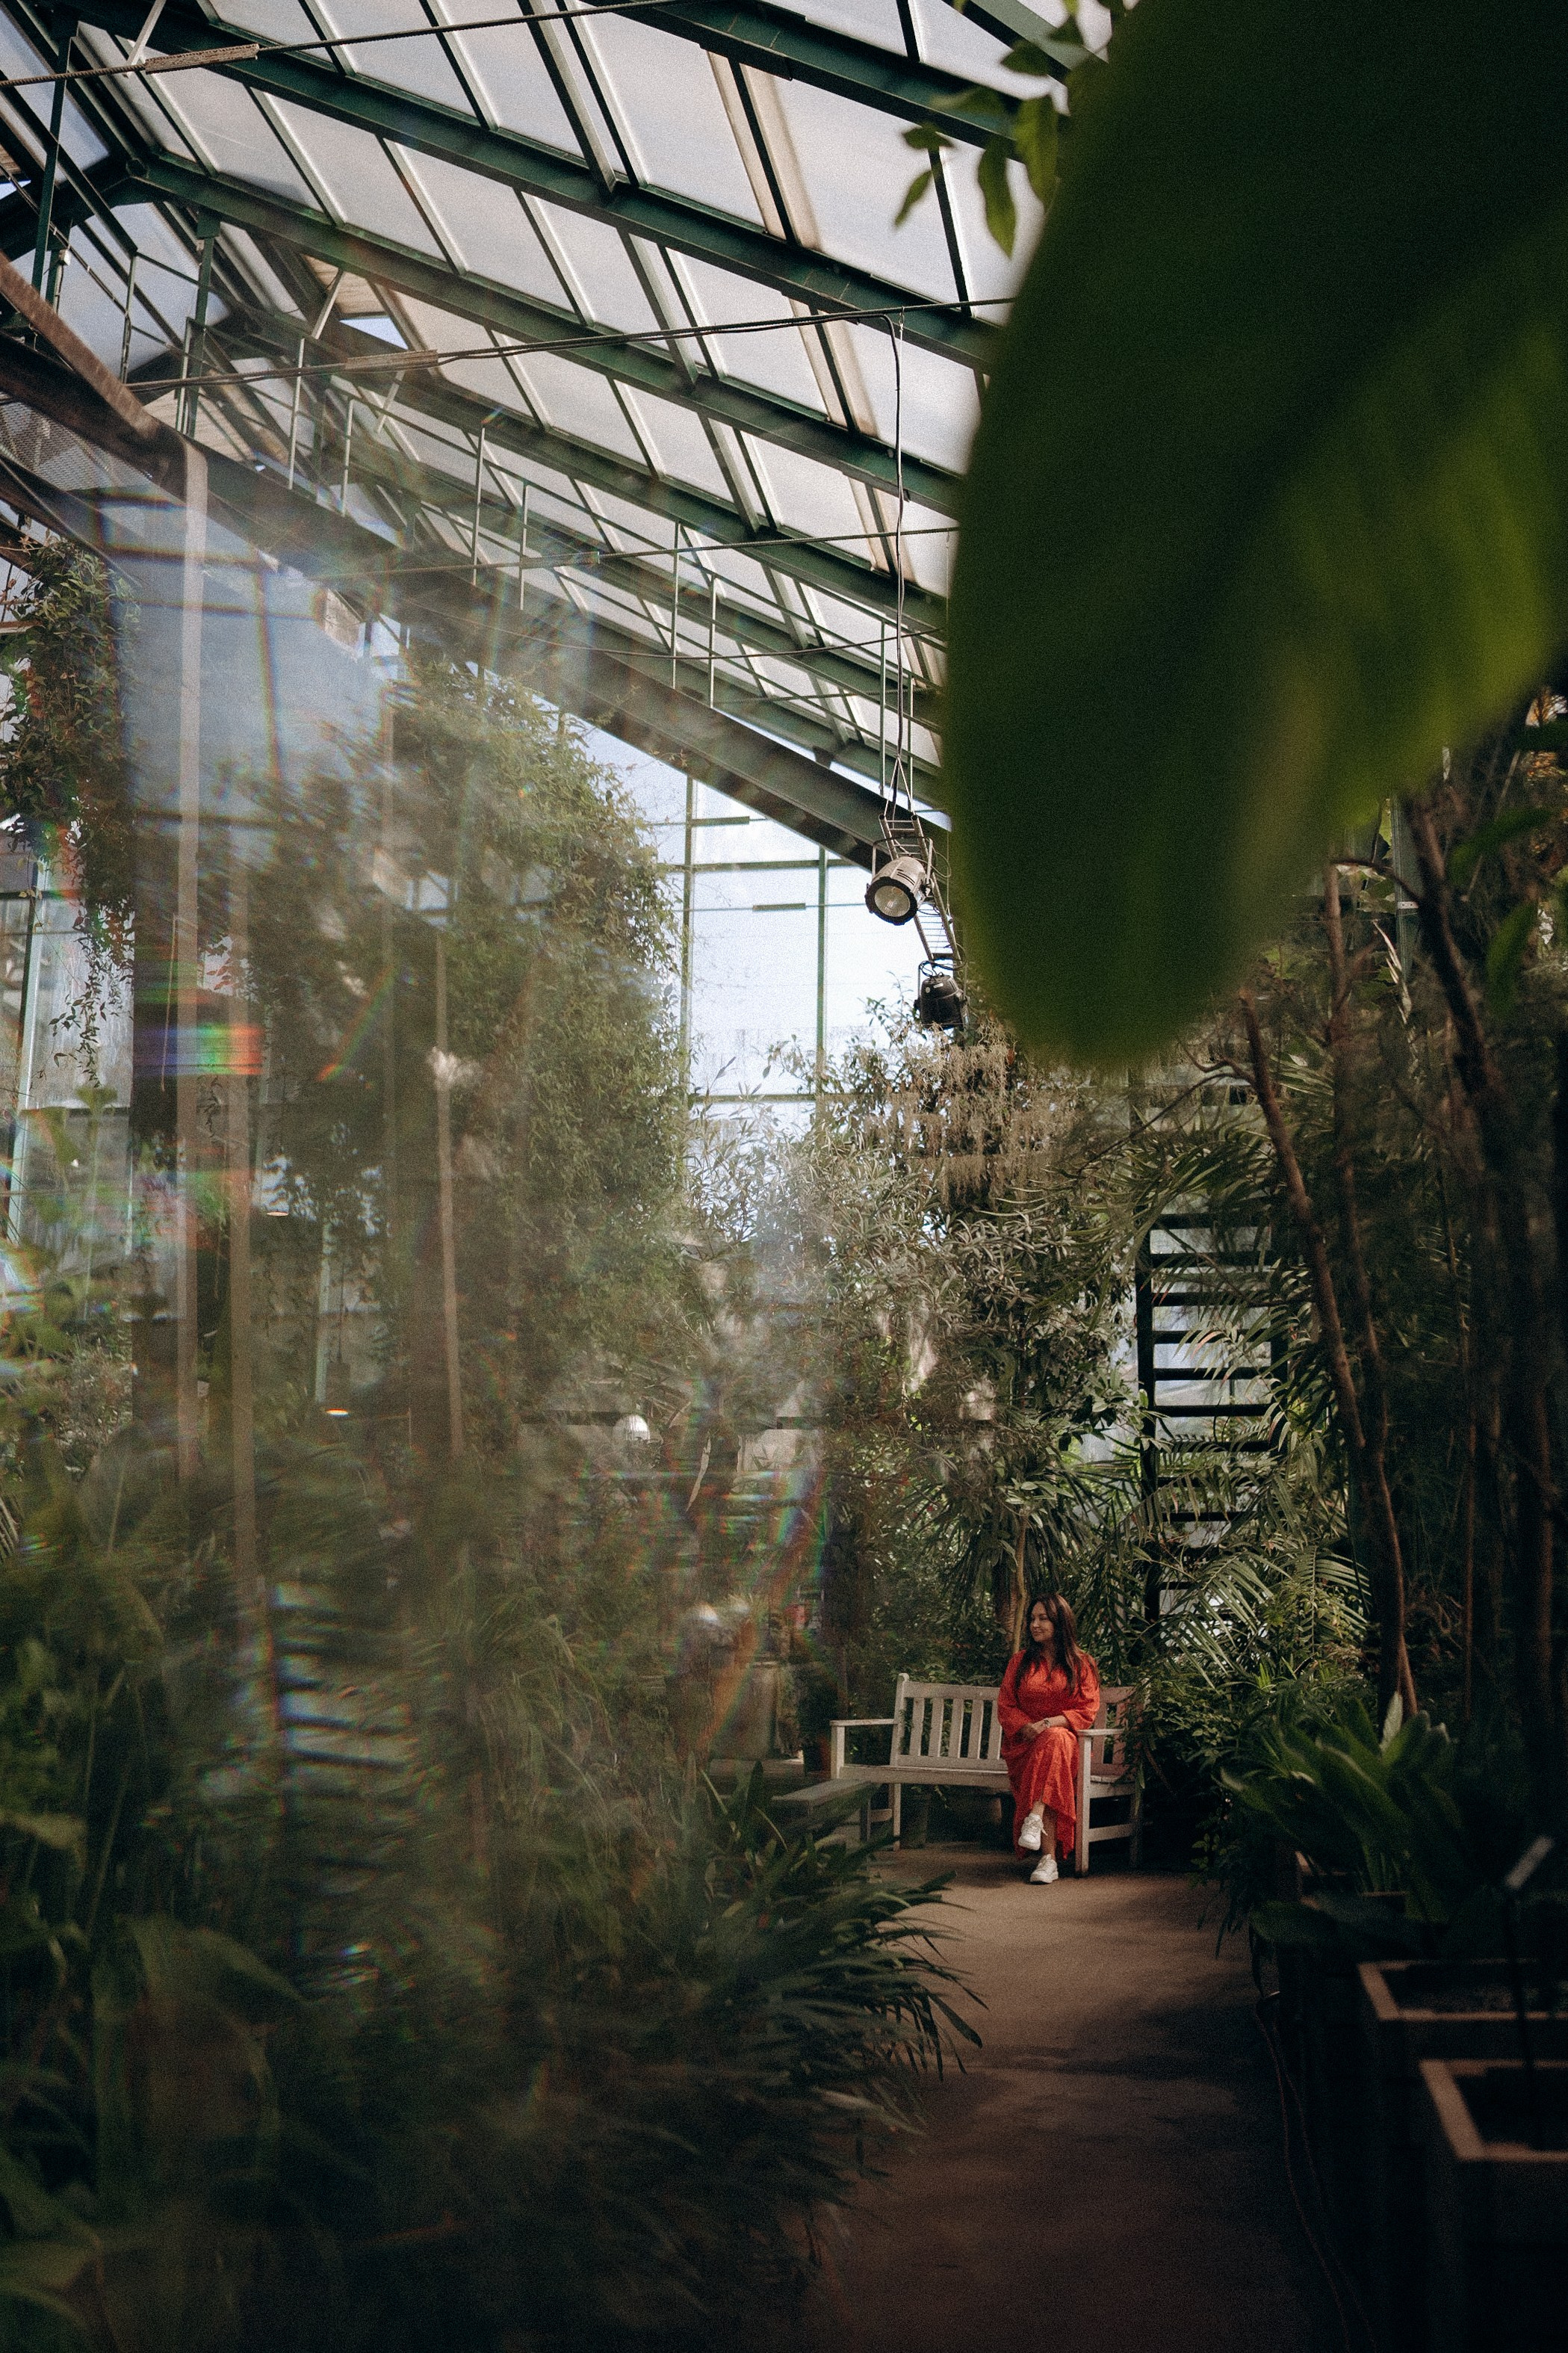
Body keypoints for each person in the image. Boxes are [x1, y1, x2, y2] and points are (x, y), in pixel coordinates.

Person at [997, 1593, 1101, 1884]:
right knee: (1053, 1755)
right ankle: (1047, 1859)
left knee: (1057, 1740)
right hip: (1025, 1747)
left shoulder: (1082, 1664)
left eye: (1043, 1618)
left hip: (1069, 1749)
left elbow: (1087, 1710)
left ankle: (1039, 1829)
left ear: (1060, 1621)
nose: (1034, 1624)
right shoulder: (1020, 1662)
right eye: (1032, 1618)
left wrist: (1047, 1723)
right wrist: (1029, 1727)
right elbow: (1006, 1705)